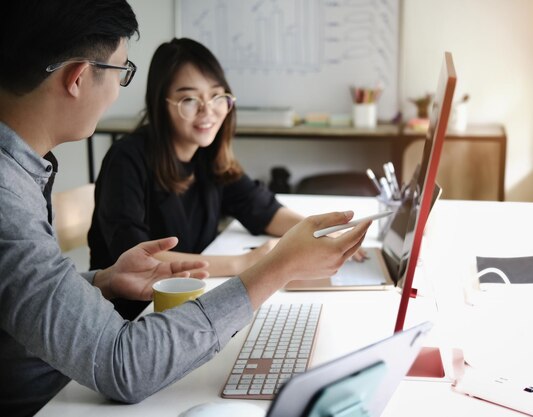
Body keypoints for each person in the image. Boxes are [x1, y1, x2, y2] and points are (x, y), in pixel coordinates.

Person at [0, 2, 370, 416]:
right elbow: (124, 365)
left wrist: (101, 281)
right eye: (122, 71)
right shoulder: (9, 198)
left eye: (216, 98)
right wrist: (273, 268)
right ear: (80, 76)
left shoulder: (23, 172)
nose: (207, 110)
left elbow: (24, 291)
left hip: (71, 377)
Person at [87, 38, 302, 319]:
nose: (208, 110)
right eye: (189, 99)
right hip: (134, 316)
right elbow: (139, 262)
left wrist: (321, 232)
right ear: (161, 104)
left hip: (190, 302)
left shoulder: (208, 155)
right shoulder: (127, 159)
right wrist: (243, 263)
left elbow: (263, 209)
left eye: (216, 96)